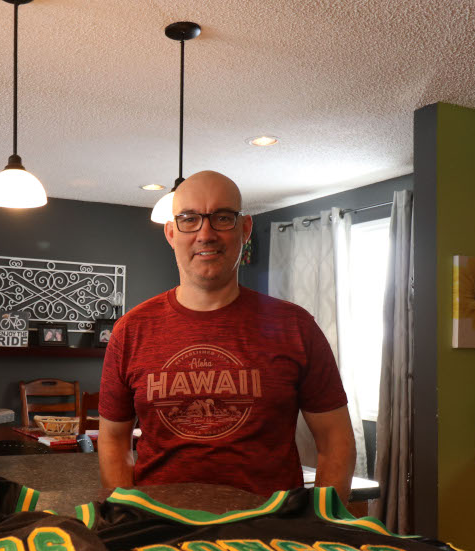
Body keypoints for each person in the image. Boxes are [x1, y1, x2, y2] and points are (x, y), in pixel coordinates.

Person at [98, 170, 356, 501]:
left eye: (222, 218)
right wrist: (125, 514)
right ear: (171, 233)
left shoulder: (296, 327)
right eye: (189, 219)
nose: (205, 234)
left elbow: (336, 442)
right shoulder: (131, 330)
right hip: (159, 524)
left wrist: (320, 520)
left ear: (245, 229)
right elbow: (113, 439)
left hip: (269, 527)